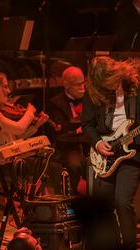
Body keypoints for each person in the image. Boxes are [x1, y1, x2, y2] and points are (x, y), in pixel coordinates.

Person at [82, 56, 140, 250]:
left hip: (132, 154)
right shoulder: (94, 94)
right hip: (106, 153)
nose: (109, 89)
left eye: (110, 83)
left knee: (122, 202)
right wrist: (97, 143)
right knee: (103, 205)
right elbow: (87, 124)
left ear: (118, 74)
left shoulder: (138, 90)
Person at [0, 70, 49, 146]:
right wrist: (29, 112)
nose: (8, 91)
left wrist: (36, 125)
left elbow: (15, 139)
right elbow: (19, 128)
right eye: (5, 86)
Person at [48, 66, 87, 195]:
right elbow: (61, 131)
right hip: (69, 147)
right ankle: (72, 198)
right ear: (66, 85)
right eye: (78, 84)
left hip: (90, 144)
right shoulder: (55, 103)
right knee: (74, 164)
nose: (82, 87)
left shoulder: (90, 99)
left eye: (83, 83)